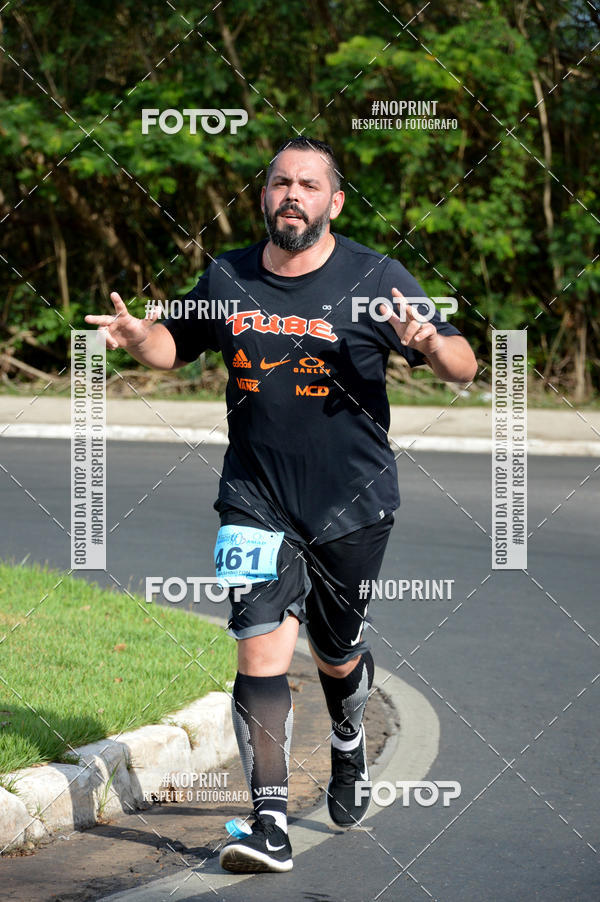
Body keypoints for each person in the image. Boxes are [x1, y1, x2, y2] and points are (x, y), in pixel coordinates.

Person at [85, 137, 477, 874]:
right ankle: (269, 824)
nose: (290, 194)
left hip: (352, 506)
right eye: (278, 184)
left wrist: (426, 342)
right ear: (264, 198)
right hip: (254, 496)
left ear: (333, 202)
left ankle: (349, 743)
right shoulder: (227, 275)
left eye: (307, 184)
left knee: (336, 653)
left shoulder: (376, 274)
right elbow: (175, 344)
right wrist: (141, 338)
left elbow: (464, 365)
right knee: (262, 646)